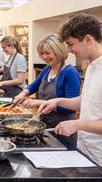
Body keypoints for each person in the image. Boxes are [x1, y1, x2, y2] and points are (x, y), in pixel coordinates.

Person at [37, 14, 102, 165]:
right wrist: (58, 101)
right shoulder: (92, 66)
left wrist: (78, 124)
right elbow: (88, 101)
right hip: (84, 148)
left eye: (71, 44)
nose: (68, 49)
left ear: (88, 39)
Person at [14, 34, 81, 147]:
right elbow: (33, 86)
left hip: (63, 128)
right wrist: (22, 93)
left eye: (47, 53)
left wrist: (39, 102)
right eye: (42, 54)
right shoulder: (47, 69)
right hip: (45, 124)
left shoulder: (70, 73)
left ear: (58, 51)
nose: (44, 57)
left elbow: (72, 106)